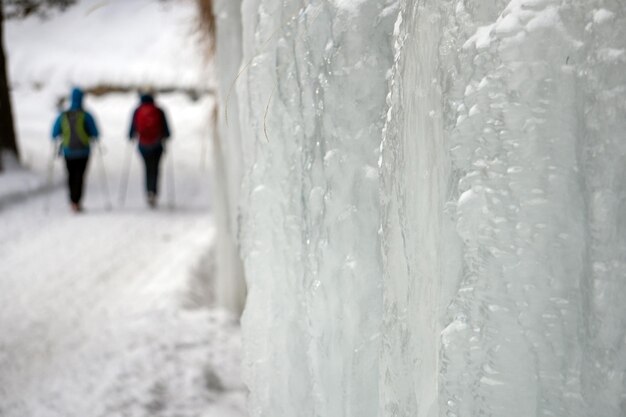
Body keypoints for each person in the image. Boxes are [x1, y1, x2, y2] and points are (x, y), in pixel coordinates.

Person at [51, 87, 99, 212]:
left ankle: (72, 201)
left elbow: (54, 133)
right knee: (80, 176)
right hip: (83, 151)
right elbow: (95, 132)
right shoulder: (86, 115)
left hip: (68, 151)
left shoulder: (64, 115)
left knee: (71, 176)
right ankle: (77, 202)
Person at [128, 92, 171, 208]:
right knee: (155, 169)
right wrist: (166, 136)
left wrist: (131, 136)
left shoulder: (137, 111)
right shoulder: (159, 110)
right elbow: (167, 130)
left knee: (147, 169)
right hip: (157, 145)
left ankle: (149, 192)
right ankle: (154, 192)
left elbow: (132, 129)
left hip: (143, 145)